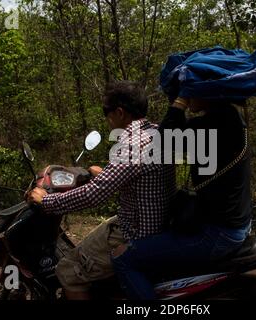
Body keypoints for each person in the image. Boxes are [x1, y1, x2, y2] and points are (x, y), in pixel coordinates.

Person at [27, 81, 176, 299]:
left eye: (107, 115)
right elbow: (139, 176)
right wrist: (105, 173)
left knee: (68, 270)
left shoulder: (132, 143)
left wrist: (46, 201)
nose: (107, 121)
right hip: (154, 223)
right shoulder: (155, 132)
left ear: (120, 113)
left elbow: (94, 194)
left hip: (134, 232)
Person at [111, 96, 252, 299]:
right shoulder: (233, 118)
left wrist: (181, 101)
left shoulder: (207, 126)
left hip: (217, 233)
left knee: (123, 258)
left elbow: (161, 141)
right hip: (237, 225)